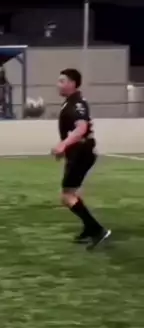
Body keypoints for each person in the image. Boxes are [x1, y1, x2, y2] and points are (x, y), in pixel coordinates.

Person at [52, 68, 111, 249]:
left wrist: (63, 145)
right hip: (80, 152)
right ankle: (89, 228)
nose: (58, 84)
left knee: (67, 196)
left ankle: (97, 230)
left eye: (62, 81)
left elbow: (81, 128)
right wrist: (65, 146)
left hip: (81, 153)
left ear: (72, 83)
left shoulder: (75, 103)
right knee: (70, 192)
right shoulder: (72, 102)